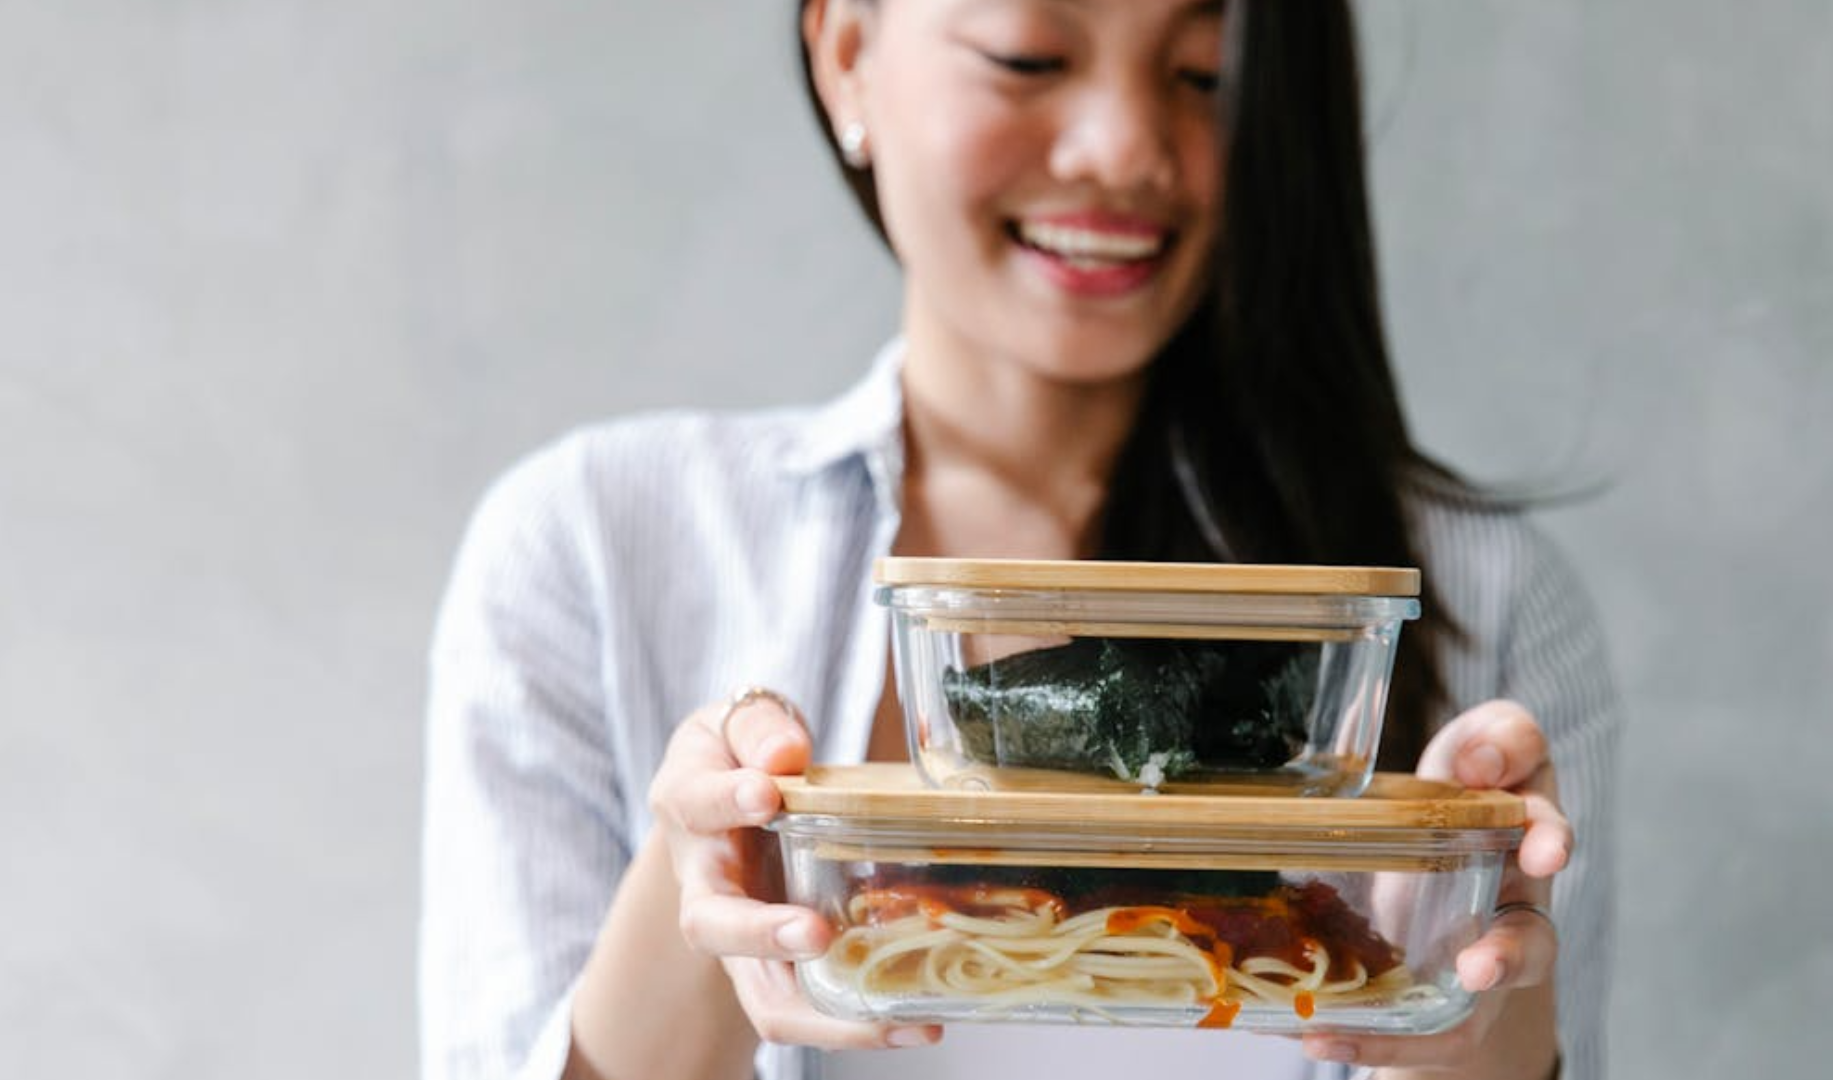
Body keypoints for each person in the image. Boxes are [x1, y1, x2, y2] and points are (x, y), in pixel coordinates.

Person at [418, 1, 1621, 1078]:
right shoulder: (593, 551)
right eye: (1029, 56)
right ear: (847, 55)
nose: (1124, 149)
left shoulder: (1481, 603)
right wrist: (709, 866)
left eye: (1204, 73)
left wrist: (1472, 1016)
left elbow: (1491, 1023)